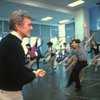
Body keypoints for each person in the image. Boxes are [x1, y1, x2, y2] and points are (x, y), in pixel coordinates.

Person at [0, 9, 46, 100]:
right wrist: (35, 74)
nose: (31, 28)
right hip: (9, 94)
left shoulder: (9, 41)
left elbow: (16, 67)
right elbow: (20, 78)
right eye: (29, 25)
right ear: (18, 26)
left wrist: (32, 72)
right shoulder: (13, 44)